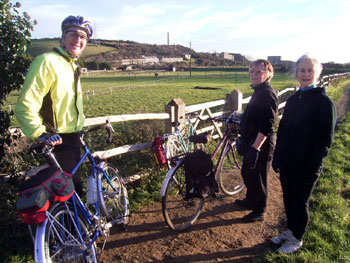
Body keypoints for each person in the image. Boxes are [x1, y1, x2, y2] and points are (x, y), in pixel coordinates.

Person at [15, 15, 93, 196]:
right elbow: (25, 104)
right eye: (73, 34)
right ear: (63, 37)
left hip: (73, 137)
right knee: (69, 196)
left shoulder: (72, 66)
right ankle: (72, 225)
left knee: (74, 194)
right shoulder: (47, 61)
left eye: (83, 37)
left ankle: (77, 224)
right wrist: (40, 134)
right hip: (55, 139)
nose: (78, 40)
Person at [271, 54, 336, 254]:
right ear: (296, 73)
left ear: (317, 73)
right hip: (288, 161)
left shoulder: (323, 102)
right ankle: (290, 230)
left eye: (310, 70)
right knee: (288, 199)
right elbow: (282, 131)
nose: (306, 74)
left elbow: (324, 140)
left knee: (300, 202)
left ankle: (297, 238)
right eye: (302, 70)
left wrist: (314, 167)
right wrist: (277, 156)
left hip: (306, 165)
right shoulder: (294, 99)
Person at [235, 59, 278, 222]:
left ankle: (260, 209)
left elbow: (267, 125)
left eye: (258, 72)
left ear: (268, 74)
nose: (253, 74)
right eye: (251, 71)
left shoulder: (267, 93)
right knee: (248, 173)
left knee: (258, 177)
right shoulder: (259, 91)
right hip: (252, 142)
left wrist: (255, 148)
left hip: (261, 144)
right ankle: (250, 200)